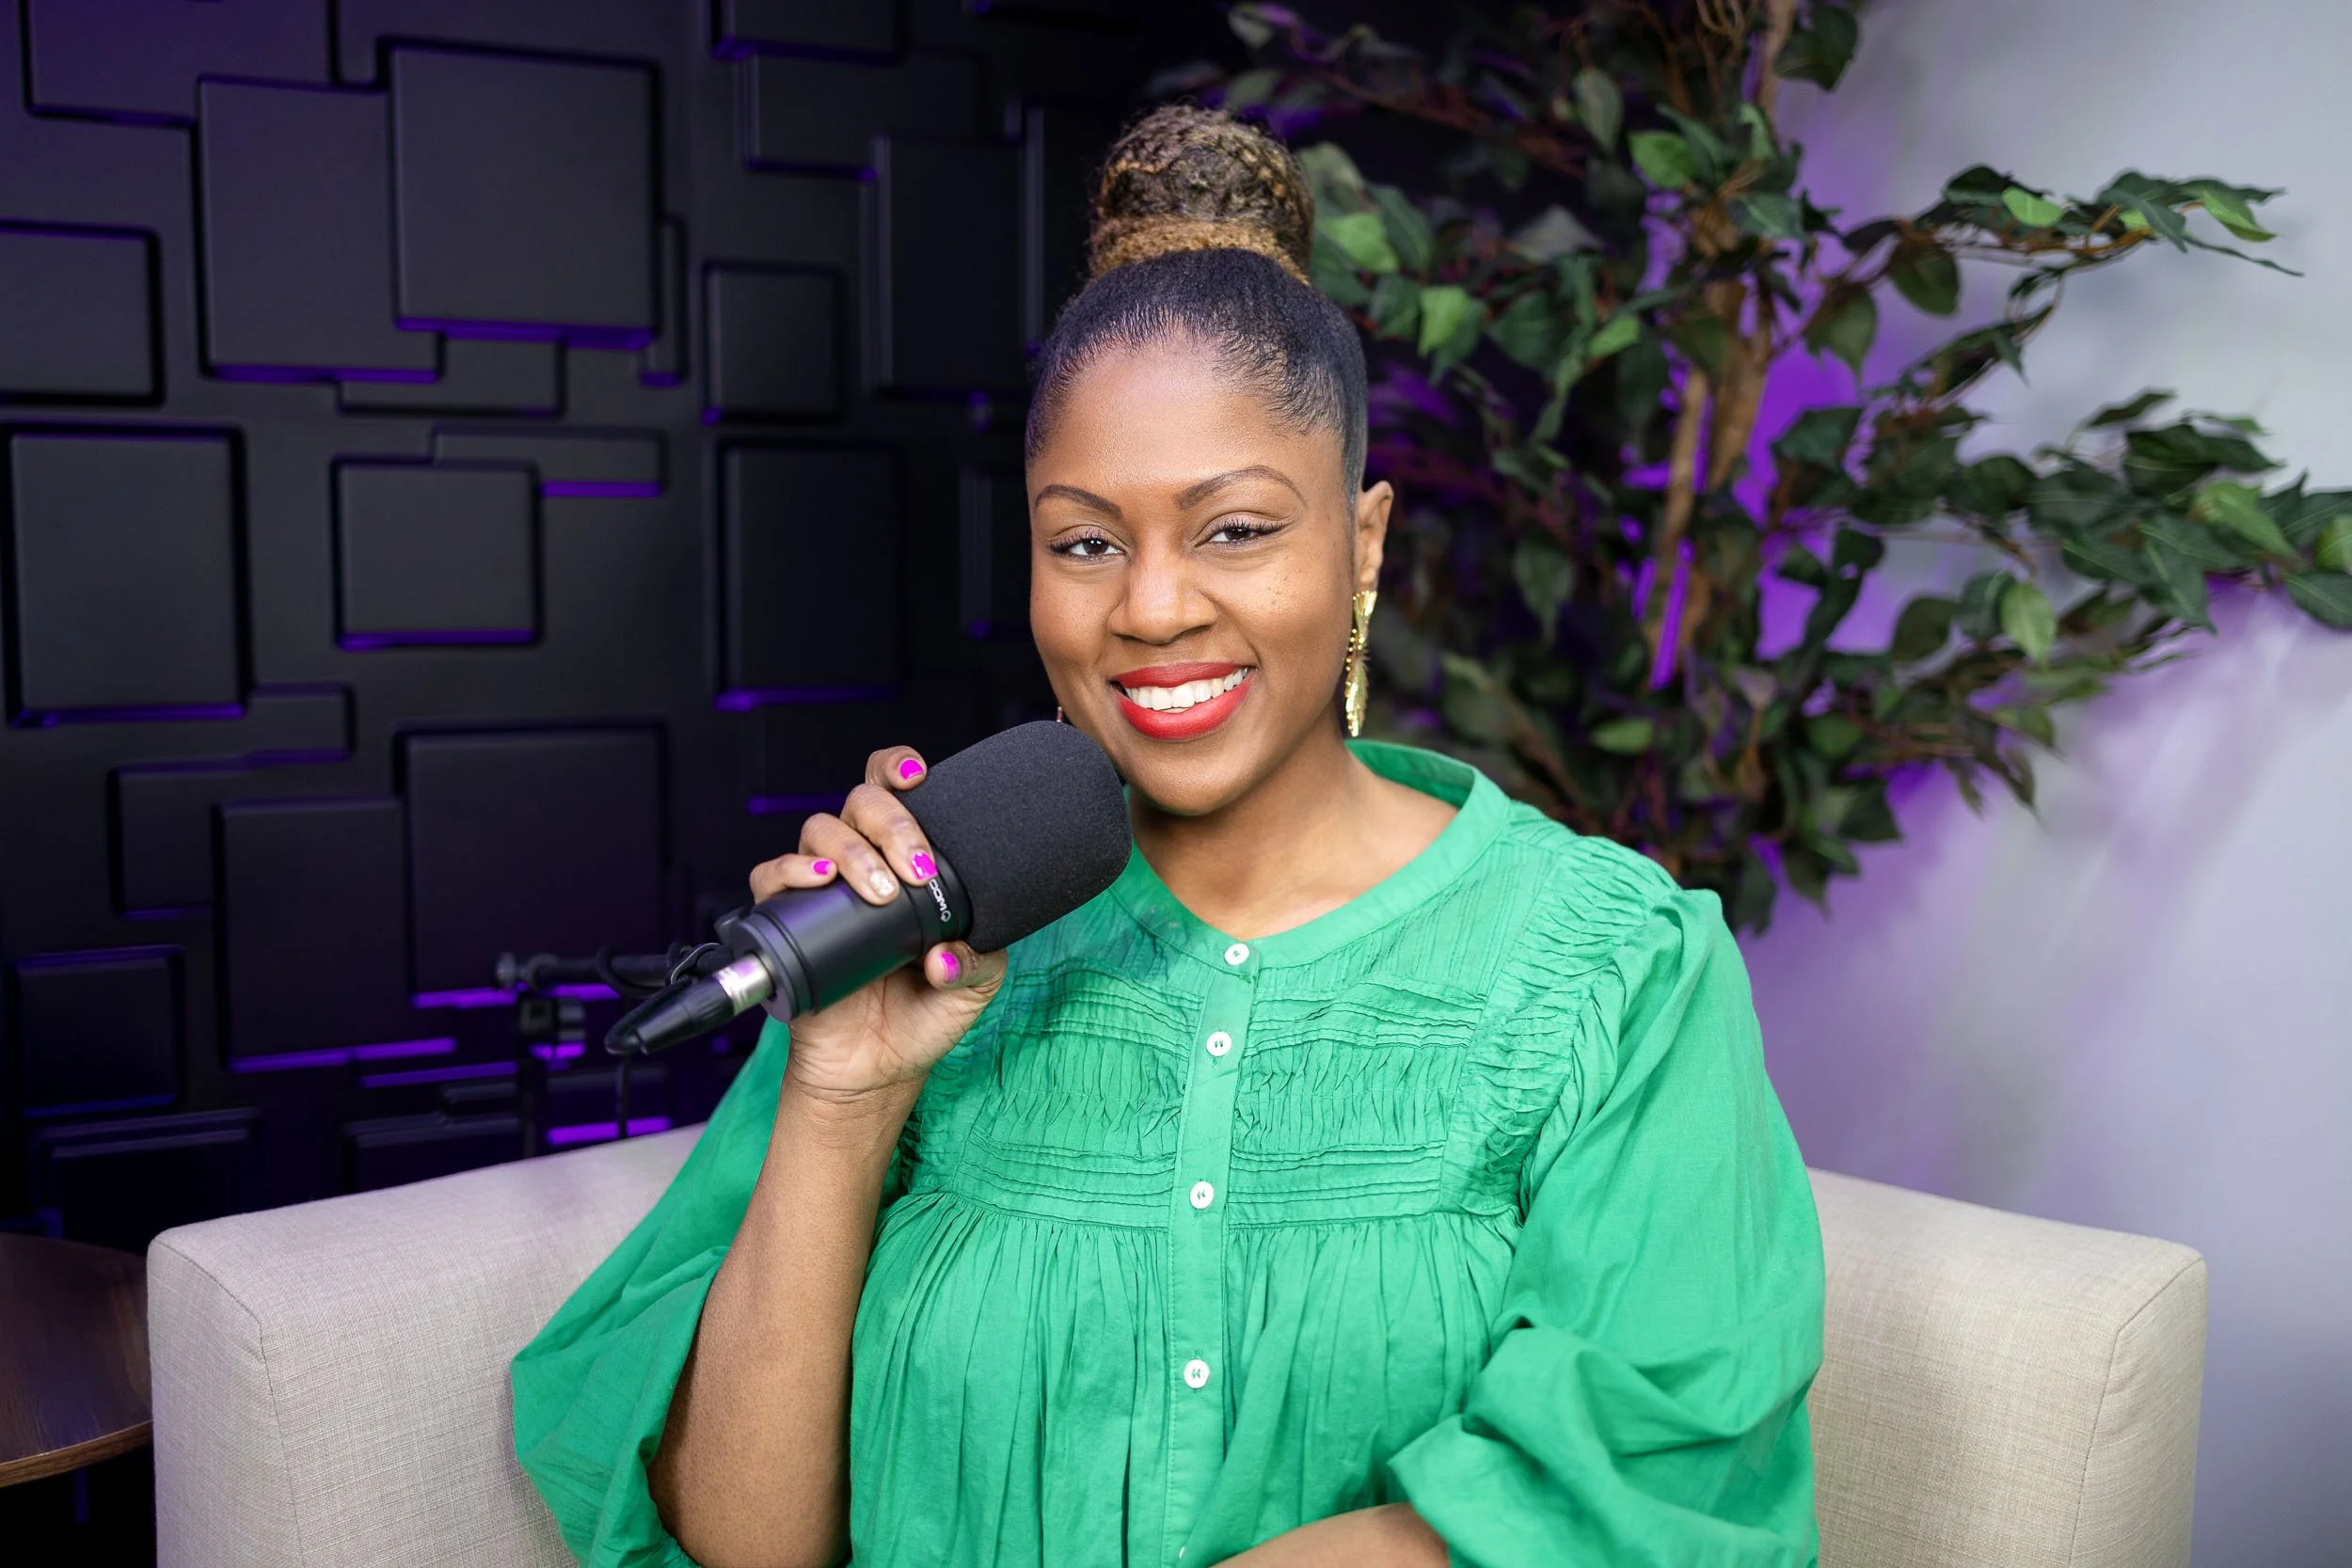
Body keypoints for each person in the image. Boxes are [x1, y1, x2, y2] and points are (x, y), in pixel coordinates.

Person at [513, 104, 1823, 1568]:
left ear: (1366, 540)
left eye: (1235, 529)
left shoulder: (1617, 967)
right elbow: (747, 1546)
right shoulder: (928, 926)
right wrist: (840, 1090)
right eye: (1084, 540)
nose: (1146, 608)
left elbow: (1622, 1504)